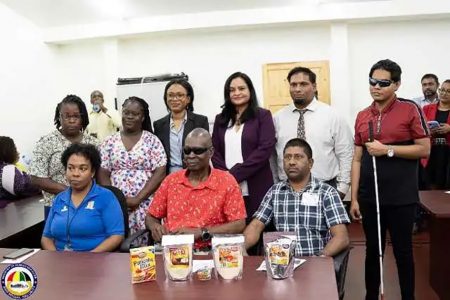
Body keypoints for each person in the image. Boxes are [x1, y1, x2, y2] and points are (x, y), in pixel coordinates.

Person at [349, 59, 430, 300]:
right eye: (372, 81)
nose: (376, 87)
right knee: (373, 251)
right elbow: (356, 158)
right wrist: (353, 198)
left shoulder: (409, 109)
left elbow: (424, 149)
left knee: (403, 251)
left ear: (396, 84)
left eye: (383, 83)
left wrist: (388, 150)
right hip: (369, 196)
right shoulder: (363, 115)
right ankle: (371, 296)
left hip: (401, 196)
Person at [244, 138, 350, 257]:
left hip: (315, 265)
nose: (292, 162)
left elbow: (341, 237)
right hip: (282, 264)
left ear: (310, 163)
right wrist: (241, 248)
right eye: (287, 157)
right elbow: (256, 226)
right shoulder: (275, 192)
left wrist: (319, 258)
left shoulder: (326, 192)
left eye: (298, 157)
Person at [146, 128, 246, 250]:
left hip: (212, 250)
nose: (191, 156)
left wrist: (202, 232)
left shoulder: (226, 181)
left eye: (198, 151)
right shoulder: (171, 181)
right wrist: (155, 227)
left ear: (211, 152)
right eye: (187, 151)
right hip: (173, 251)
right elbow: (151, 216)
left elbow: (239, 224)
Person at [272, 67, 353, 199]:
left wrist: (342, 189)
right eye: (293, 84)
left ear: (314, 86)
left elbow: (346, 153)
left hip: (325, 187)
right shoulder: (277, 119)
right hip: (287, 189)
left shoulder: (332, 116)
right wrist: (276, 183)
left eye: (303, 84)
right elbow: (273, 157)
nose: (297, 89)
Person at [98, 96, 166, 246]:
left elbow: (160, 171)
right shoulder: (109, 141)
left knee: (144, 247)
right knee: (117, 243)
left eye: (134, 114)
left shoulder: (152, 141)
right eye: (126, 112)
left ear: (142, 117)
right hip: (115, 204)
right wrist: (115, 198)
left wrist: (138, 199)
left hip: (145, 203)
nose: (129, 117)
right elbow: (102, 172)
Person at [212, 72, 276, 221]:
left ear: (250, 90)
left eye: (241, 88)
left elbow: (265, 149)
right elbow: (214, 150)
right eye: (232, 90)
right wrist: (226, 176)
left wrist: (235, 173)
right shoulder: (220, 119)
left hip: (256, 183)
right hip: (227, 185)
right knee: (231, 231)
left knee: (257, 229)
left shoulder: (263, 116)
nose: (237, 93)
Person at [41, 143, 124, 252]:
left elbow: (116, 236)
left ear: (92, 172)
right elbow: (46, 237)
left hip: (95, 260)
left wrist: (88, 258)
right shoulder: (59, 199)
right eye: (70, 168)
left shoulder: (106, 197)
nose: (75, 174)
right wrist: (56, 257)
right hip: (61, 262)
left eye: (82, 169)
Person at [30, 95, 99, 218]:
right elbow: (36, 177)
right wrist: (70, 191)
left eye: (76, 116)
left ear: (82, 118)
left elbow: (99, 175)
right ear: (59, 117)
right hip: (56, 205)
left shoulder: (94, 143)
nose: (71, 120)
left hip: (89, 205)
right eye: (67, 116)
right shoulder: (46, 142)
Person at [154, 79, 209, 174]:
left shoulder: (200, 121)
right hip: (168, 177)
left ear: (188, 99)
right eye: (170, 95)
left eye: (180, 95)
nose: (174, 99)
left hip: (194, 174)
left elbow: (204, 152)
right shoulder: (159, 125)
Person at [422, 79, 450, 189]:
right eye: (442, 90)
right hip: (431, 150)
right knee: (429, 185)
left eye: (448, 91)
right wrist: (428, 130)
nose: (444, 93)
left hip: (447, 152)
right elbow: (420, 128)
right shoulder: (427, 108)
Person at [0, 136, 39, 208]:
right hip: (10, 214)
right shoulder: (7, 170)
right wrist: (44, 183)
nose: (17, 152)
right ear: (7, 151)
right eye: (14, 149)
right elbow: (25, 187)